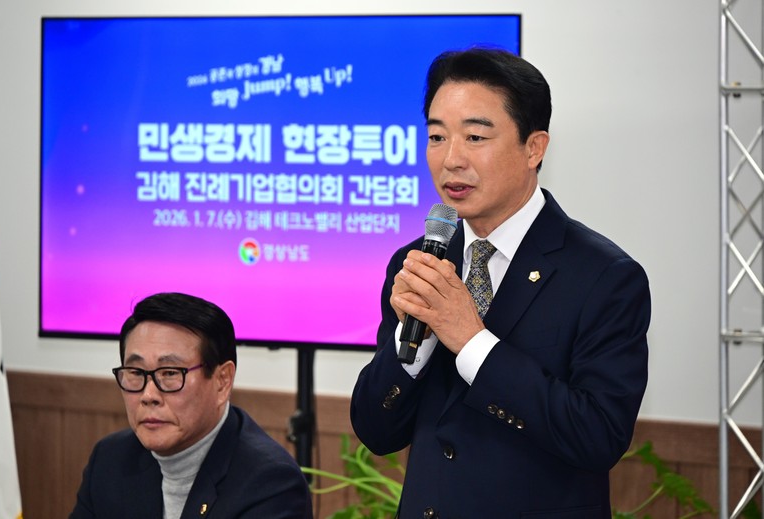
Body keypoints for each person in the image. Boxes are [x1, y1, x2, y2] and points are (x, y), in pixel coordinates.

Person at [350, 47, 650, 518]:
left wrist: (472, 341)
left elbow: (598, 437)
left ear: (534, 148)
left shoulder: (605, 277)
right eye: (436, 136)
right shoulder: (419, 263)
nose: (451, 159)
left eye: (475, 137)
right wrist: (412, 346)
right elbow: (376, 431)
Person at [70, 292, 313, 519]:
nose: (149, 395)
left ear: (222, 381)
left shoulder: (271, 484)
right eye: (135, 372)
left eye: (170, 373)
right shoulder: (110, 459)